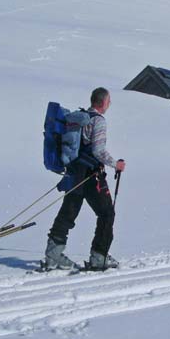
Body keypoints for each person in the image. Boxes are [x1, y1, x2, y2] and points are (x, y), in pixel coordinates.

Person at [43, 87, 126, 271]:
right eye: (109, 100)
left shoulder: (79, 118)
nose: (110, 103)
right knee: (106, 213)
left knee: (68, 212)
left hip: (74, 172)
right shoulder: (99, 121)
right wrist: (115, 164)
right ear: (103, 102)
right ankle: (99, 257)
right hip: (90, 175)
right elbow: (98, 151)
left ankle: (53, 255)